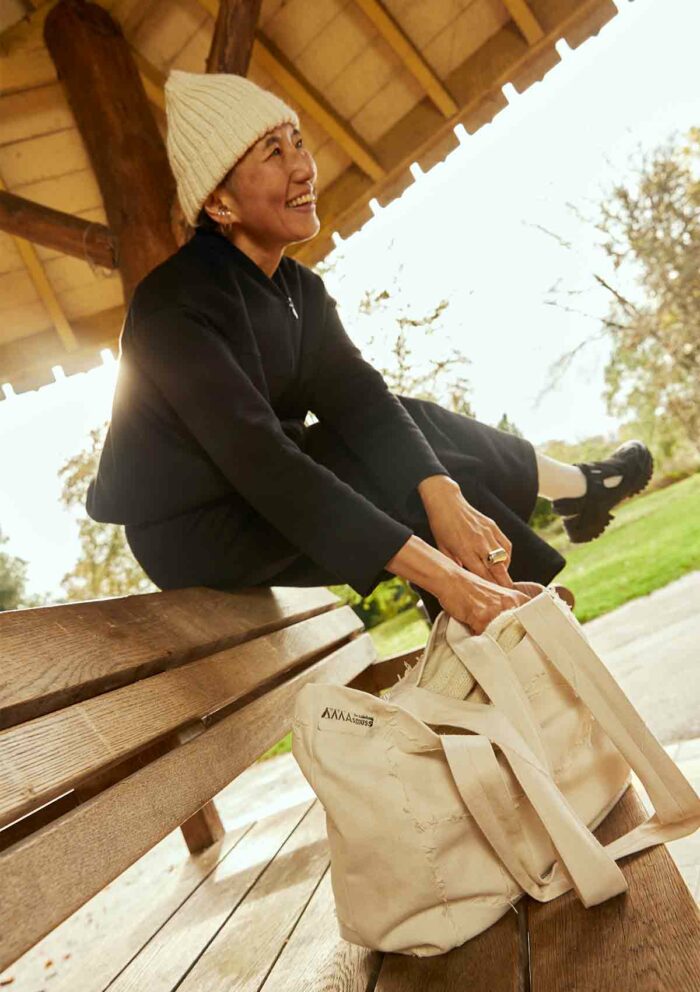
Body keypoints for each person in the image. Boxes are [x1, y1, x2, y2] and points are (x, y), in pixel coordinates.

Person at [86, 70, 653, 634]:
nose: (304, 167)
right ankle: (535, 607)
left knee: (412, 445)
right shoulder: (172, 306)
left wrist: (446, 499)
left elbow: (364, 402)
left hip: (266, 486)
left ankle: (517, 631)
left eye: (299, 143)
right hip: (195, 531)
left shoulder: (298, 290)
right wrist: (453, 581)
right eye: (273, 152)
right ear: (219, 203)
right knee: (397, 481)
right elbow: (266, 465)